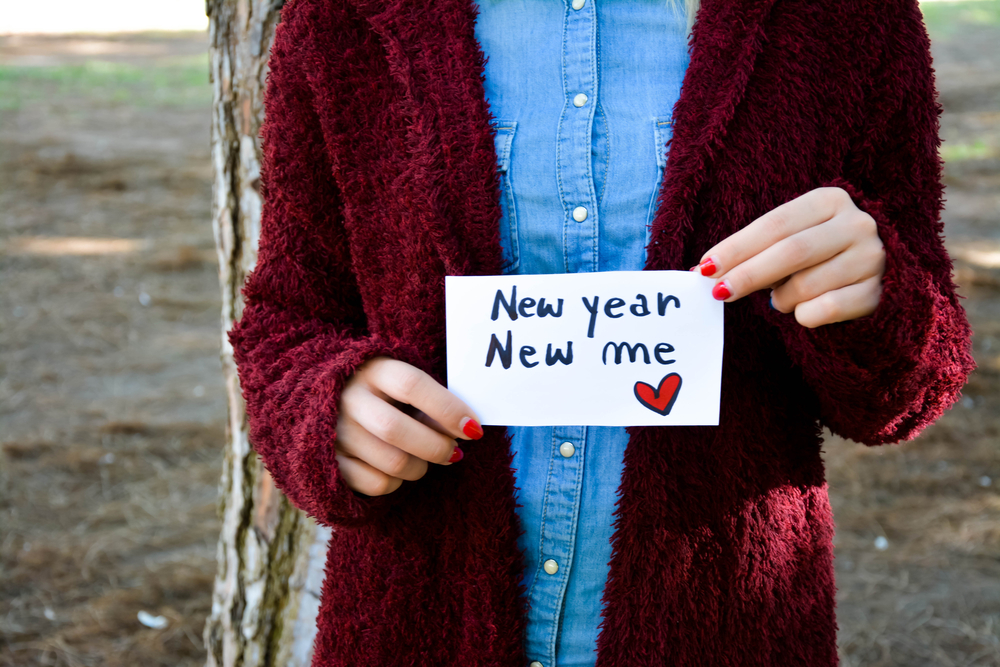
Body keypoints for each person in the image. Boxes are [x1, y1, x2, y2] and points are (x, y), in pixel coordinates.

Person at [227, 0, 976, 665]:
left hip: (726, 626)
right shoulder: (342, 18)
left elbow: (911, 383)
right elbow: (283, 323)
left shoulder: (850, 18)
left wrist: (875, 297)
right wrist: (329, 409)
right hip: (416, 621)